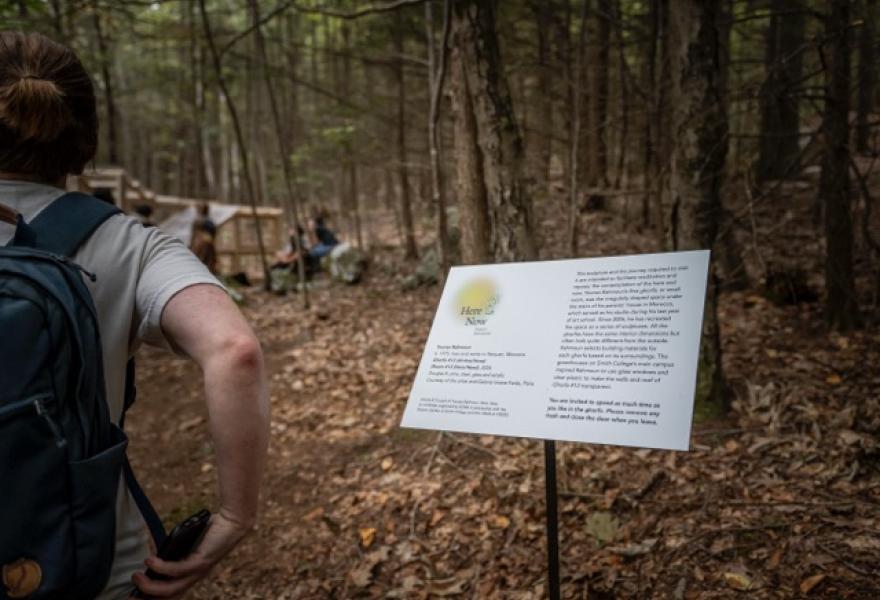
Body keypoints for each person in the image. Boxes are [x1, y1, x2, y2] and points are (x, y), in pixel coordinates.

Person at [0, 31, 269, 599]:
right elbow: (235, 351)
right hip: (86, 561)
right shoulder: (133, 244)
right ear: (84, 139)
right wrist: (235, 516)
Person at [190, 201, 217, 273]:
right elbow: (213, 234)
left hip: (201, 244)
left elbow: (193, 235)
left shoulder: (198, 221)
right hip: (207, 244)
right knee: (206, 263)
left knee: (201, 262)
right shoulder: (210, 222)